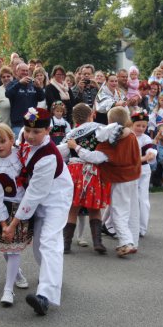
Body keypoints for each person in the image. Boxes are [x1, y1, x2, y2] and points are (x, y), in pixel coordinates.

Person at [2, 107, 73, 316]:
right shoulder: (25, 139)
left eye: (37, 132)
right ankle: (52, 276)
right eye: (27, 130)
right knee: (38, 247)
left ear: (48, 130)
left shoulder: (48, 157)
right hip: (39, 198)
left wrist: (13, 224)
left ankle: (45, 296)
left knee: (50, 242)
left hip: (56, 199)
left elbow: (34, 194)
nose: (30, 136)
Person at [68, 106, 141, 256]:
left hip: (120, 178)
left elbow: (95, 157)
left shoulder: (112, 140)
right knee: (132, 210)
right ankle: (133, 240)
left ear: (109, 121)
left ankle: (126, 242)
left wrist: (76, 147)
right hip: (133, 176)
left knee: (118, 212)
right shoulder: (132, 135)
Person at [0, 124, 32, 306]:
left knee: (13, 249)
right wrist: (4, 225)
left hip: (23, 208)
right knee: (7, 247)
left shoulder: (22, 156)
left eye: (3, 141)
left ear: (12, 140)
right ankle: (16, 273)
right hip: (3, 210)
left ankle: (8, 289)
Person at [60, 103, 110, 254]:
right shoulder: (99, 129)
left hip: (74, 171)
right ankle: (97, 242)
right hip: (93, 170)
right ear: (91, 115)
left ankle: (66, 244)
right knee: (94, 208)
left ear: (75, 118)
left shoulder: (70, 135)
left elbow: (63, 154)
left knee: (72, 208)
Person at [131, 109, 157, 237]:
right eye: (138, 125)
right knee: (130, 199)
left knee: (143, 199)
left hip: (143, 172)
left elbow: (150, 148)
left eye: (144, 126)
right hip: (129, 172)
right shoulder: (128, 136)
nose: (141, 128)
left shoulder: (146, 138)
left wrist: (151, 154)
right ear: (132, 124)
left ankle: (142, 228)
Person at [5, 62, 45, 136]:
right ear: (17, 72)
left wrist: (39, 88)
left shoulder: (32, 84)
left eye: (27, 71)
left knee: (31, 146)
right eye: (23, 70)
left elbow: (41, 98)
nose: (25, 72)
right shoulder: (12, 84)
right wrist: (20, 83)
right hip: (18, 123)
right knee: (19, 146)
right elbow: (8, 94)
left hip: (31, 122)